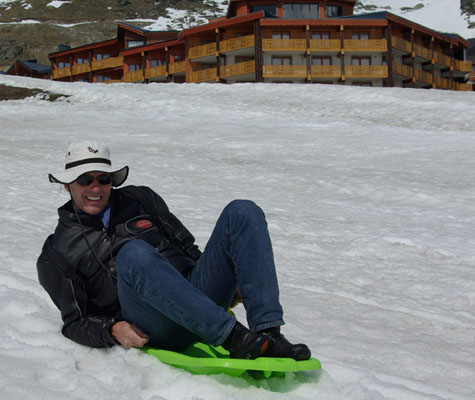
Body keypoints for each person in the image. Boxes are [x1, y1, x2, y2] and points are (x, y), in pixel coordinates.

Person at [37, 141, 311, 360]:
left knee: (243, 211)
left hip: (197, 297)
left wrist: (224, 281)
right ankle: (234, 338)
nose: (95, 188)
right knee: (133, 254)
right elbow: (75, 323)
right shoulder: (56, 253)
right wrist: (111, 329)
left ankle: (269, 332)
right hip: (156, 325)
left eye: (104, 178)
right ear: (67, 184)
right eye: (85, 180)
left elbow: (189, 249)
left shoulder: (141, 199)